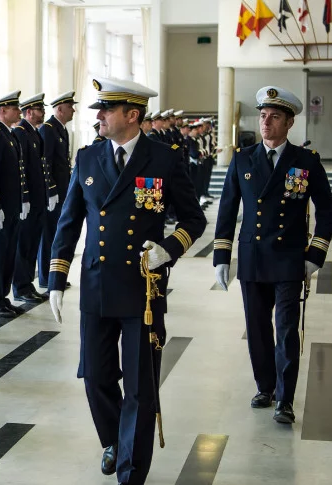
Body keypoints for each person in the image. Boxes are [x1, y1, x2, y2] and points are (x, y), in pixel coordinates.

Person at [47, 77, 205, 485]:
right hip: (97, 286)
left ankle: (131, 470)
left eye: (106, 110)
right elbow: (68, 223)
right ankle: (116, 440)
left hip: (142, 290)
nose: (97, 116)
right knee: (96, 376)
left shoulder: (164, 159)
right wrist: (56, 277)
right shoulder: (86, 158)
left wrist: (169, 248)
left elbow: (193, 218)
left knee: (139, 386)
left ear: (131, 115)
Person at [213, 86, 332, 425]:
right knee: (256, 329)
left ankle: (285, 398)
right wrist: (221, 256)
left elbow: (326, 210)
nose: (265, 123)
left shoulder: (305, 162)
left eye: (274, 117)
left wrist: (316, 254)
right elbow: (226, 210)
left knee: (285, 330)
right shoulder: (243, 159)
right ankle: (264, 387)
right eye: (263, 116)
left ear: (289, 123)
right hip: (252, 258)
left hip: (288, 258)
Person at [0, 91, 30, 319]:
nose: (19, 112)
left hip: (11, 207)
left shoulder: (7, 134)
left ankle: (3, 297)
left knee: (9, 253)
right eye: (15, 108)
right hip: (0, 208)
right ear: (3, 111)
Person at [11, 94, 57, 303]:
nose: (43, 113)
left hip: (38, 199)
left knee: (32, 243)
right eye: (39, 110)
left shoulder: (34, 133)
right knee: (24, 244)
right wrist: (24, 197)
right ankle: (20, 286)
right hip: (28, 201)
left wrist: (48, 192)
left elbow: (42, 166)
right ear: (29, 112)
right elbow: (21, 169)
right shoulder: (21, 132)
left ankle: (27, 283)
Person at [38, 92, 77, 290]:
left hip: (62, 191)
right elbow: (45, 162)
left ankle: (53, 274)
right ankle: (45, 276)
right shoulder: (48, 129)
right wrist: (50, 189)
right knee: (49, 236)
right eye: (70, 107)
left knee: (57, 235)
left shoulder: (61, 130)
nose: (74, 110)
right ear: (60, 109)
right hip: (52, 194)